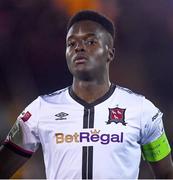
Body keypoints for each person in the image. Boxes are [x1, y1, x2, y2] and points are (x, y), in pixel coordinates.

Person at [0, 10, 173, 179]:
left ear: (109, 52)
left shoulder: (142, 110)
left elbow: (166, 173)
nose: (79, 48)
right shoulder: (40, 109)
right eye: (71, 43)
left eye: (90, 42)